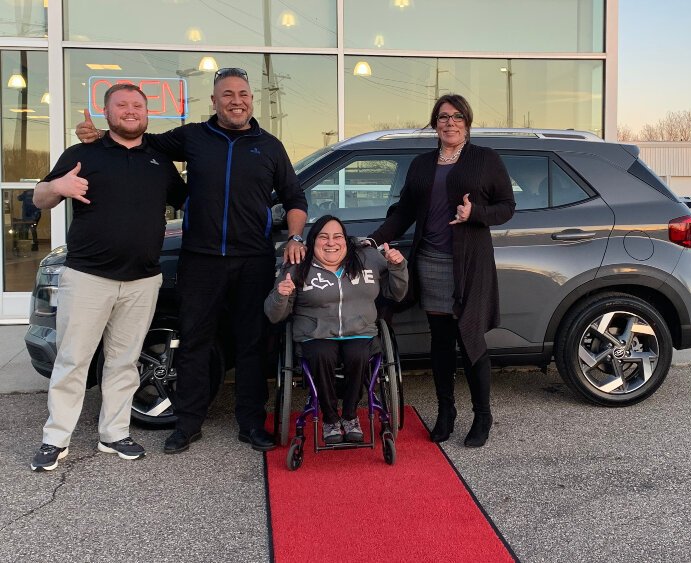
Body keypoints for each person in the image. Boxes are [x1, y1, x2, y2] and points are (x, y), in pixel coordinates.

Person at [76, 67, 307, 454]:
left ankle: (251, 423)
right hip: (200, 260)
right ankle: (187, 424)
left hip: (253, 259)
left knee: (253, 344)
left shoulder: (269, 146)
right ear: (214, 101)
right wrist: (99, 136)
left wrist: (296, 235)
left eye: (243, 94)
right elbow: (138, 141)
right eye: (227, 94)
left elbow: (295, 199)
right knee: (195, 342)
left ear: (252, 99)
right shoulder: (193, 137)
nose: (237, 100)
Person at [30, 84, 187, 471]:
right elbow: (39, 198)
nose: (130, 111)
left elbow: (189, 201)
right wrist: (56, 187)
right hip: (87, 277)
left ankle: (114, 434)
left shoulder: (160, 160)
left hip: (143, 280)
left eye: (137, 105)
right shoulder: (83, 154)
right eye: (122, 105)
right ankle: (55, 439)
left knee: (124, 361)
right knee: (72, 359)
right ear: (106, 111)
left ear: (147, 113)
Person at [367, 94, 516, 448]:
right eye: (443, 117)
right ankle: (446, 413)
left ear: (467, 122)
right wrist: (373, 241)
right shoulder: (421, 164)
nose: (450, 122)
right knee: (441, 341)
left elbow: (507, 206)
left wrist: (474, 214)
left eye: (457, 116)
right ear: (435, 123)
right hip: (430, 260)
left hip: (469, 263)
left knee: (471, 338)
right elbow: (404, 212)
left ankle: (483, 416)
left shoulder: (485, 160)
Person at [264, 216, 407, 444]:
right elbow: (274, 315)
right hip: (315, 331)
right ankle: (330, 418)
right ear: (312, 242)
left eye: (337, 236)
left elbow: (396, 293)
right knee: (322, 354)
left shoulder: (367, 257)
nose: (331, 242)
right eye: (324, 237)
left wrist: (397, 266)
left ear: (346, 240)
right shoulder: (298, 262)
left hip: (359, 328)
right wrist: (281, 295)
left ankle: (350, 416)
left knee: (358, 354)